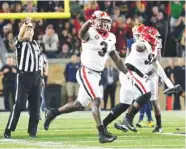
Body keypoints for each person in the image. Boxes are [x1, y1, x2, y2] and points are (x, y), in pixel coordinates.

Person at [44, 10, 129, 143]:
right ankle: (102, 133)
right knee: (96, 100)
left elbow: (117, 59)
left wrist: (127, 73)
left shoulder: (111, 36)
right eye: (102, 22)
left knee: (78, 105)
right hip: (86, 71)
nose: (105, 25)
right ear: (94, 21)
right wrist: (88, 22)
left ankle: (53, 113)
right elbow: (81, 33)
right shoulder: (89, 32)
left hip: (97, 75)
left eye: (107, 22)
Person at [103, 25, 180, 133]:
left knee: (124, 104)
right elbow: (139, 46)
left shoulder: (152, 49)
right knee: (147, 94)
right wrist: (141, 40)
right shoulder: (141, 44)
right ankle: (128, 119)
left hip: (131, 75)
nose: (157, 40)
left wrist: (169, 83)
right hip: (131, 73)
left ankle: (103, 124)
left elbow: (157, 66)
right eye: (155, 37)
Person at [4, 17, 42, 139]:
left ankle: (33, 132)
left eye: (31, 29)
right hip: (24, 77)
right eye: (27, 29)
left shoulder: (36, 44)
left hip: (36, 77)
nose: (30, 31)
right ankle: (9, 129)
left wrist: (41, 78)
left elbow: (39, 61)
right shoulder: (20, 44)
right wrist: (25, 24)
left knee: (36, 108)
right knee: (19, 105)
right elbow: (20, 36)